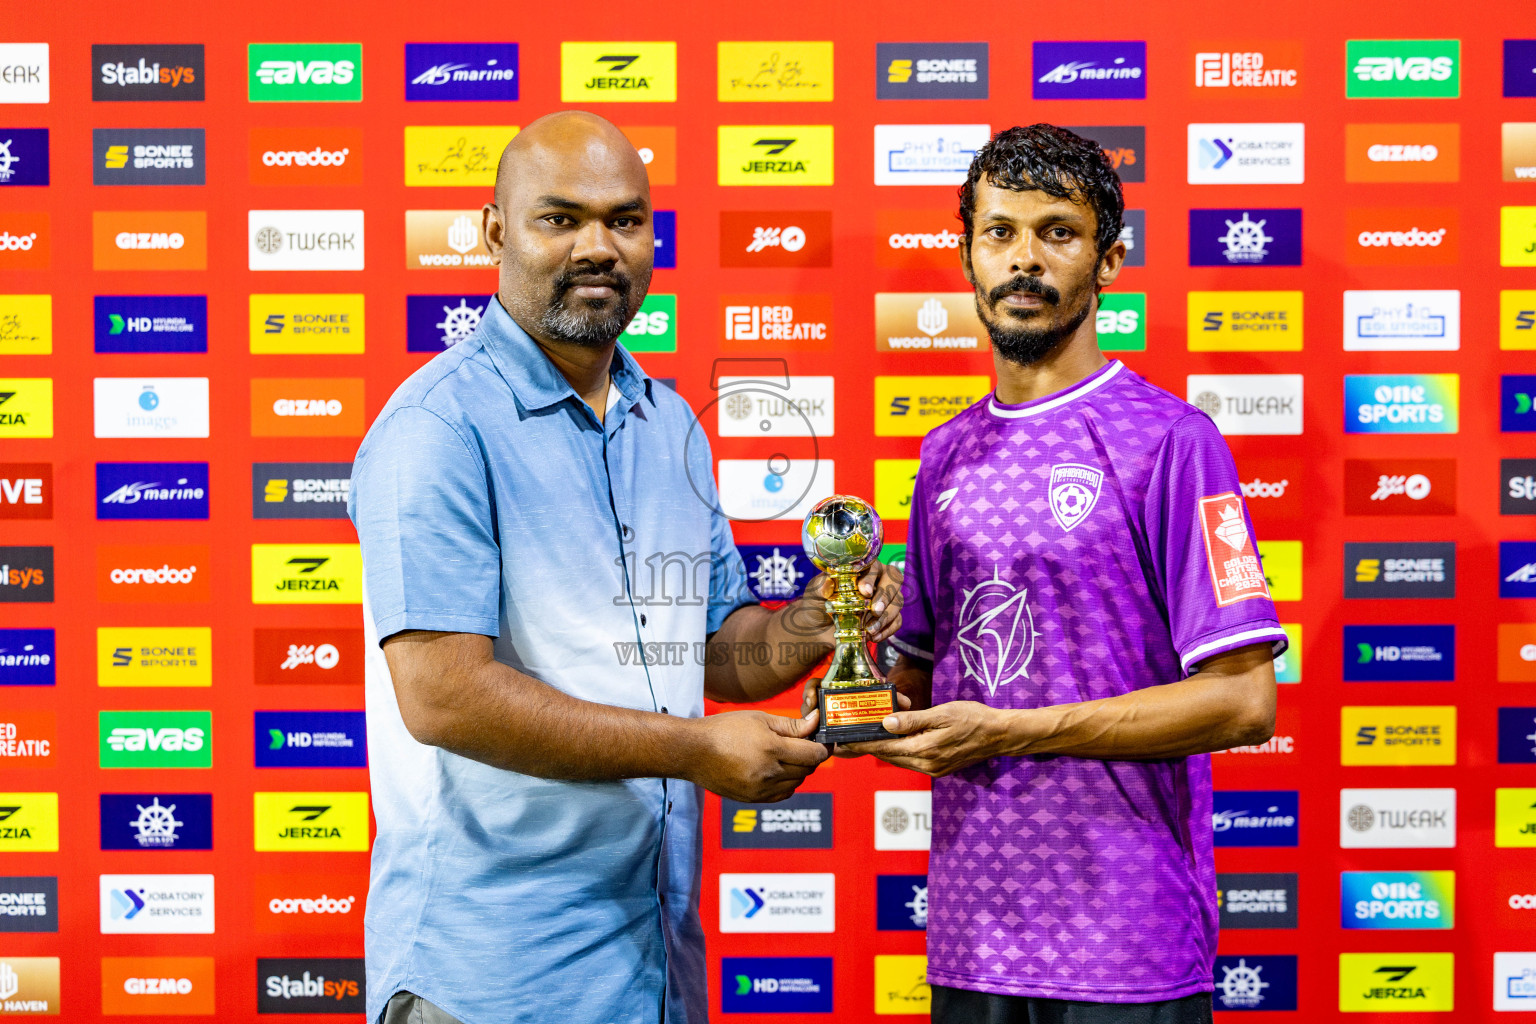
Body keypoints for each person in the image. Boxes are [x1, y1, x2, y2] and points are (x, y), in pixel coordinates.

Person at [348, 111, 901, 1024]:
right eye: (559, 219)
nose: (599, 246)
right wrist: (694, 751)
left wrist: (828, 616)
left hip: (651, 964)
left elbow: (719, 653)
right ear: (494, 233)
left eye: (626, 220)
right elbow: (442, 695)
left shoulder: (670, 423)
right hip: (490, 979)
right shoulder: (436, 428)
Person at [842, 124, 1287, 1024]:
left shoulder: (1172, 442)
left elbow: (1244, 704)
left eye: (1057, 232)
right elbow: (920, 690)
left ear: (1110, 259)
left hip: (1129, 945)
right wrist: (848, 676)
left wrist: (1012, 731)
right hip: (974, 944)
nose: (1024, 260)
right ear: (967, 251)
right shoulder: (943, 456)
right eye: (1000, 231)